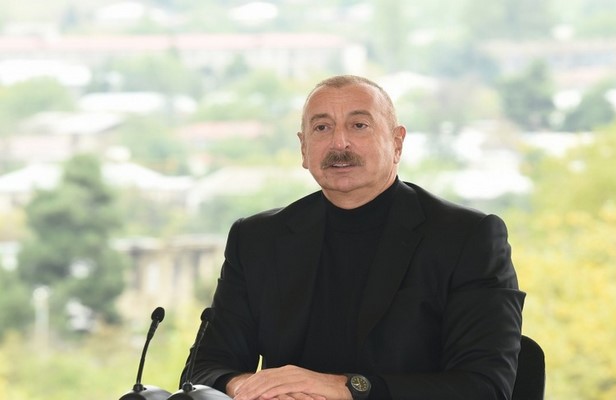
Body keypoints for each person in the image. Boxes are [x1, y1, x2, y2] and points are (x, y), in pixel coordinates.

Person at [181, 75, 526, 400]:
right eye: (322, 128)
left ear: (397, 142)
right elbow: (203, 369)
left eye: (359, 125)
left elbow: (485, 386)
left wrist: (348, 388)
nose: (339, 143)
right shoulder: (257, 239)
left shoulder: (467, 238)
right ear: (303, 148)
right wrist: (252, 387)